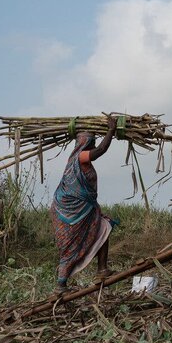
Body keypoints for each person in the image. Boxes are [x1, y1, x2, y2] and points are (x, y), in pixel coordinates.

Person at [51, 116, 117, 292]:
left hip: (84, 209)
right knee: (70, 245)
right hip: (70, 212)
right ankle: (61, 284)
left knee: (104, 225)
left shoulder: (82, 161)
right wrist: (111, 130)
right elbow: (102, 149)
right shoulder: (80, 157)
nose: (94, 145)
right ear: (85, 144)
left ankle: (102, 269)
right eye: (92, 142)